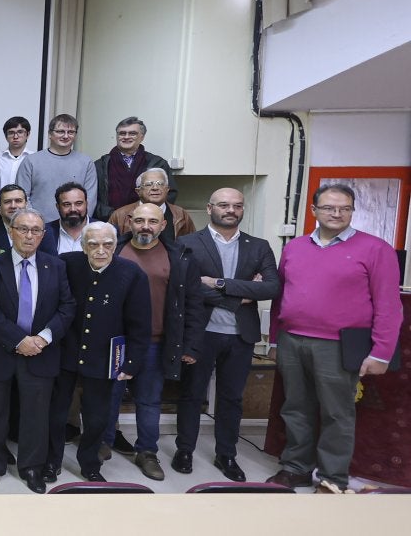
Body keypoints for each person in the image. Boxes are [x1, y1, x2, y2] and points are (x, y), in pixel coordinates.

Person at [266, 184, 403, 493]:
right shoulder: (295, 247)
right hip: (292, 340)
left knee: (336, 412)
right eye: (329, 207)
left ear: (353, 211)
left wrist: (381, 352)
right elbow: (280, 297)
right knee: (295, 407)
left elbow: (388, 305)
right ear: (314, 211)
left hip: (338, 345)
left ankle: (332, 477)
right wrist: (274, 340)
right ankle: (295, 468)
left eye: (344, 208)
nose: (337, 213)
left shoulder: (375, 249)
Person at [173, 188, 279, 481]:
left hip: (240, 336)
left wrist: (218, 283)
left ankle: (226, 454)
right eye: (223, 205)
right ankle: (184, 449)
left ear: (243, 209)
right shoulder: (188, 243)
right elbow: (188, 287)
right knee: (192, 395)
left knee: (231, 398)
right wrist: (243, 292)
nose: (230, 210)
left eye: (237, 205)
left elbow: (270, 287)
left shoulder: (258, 246)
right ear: (209, 208)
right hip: (201, 333)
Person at [0, 208, 75, 493]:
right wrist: (20, 340)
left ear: (43, 235)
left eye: (36, 230)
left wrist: (41, 339)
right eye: (23, 229)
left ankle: (31, 467)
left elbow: (67, 308)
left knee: (36, 414)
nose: (29, 235)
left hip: (41, 352)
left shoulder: (56, 267)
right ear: (11, 231)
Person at [102, 202, 203, 480]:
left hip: (156, 343)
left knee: (149, 401)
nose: (145, 226)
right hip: (117, 343)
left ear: (163, 225)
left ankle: (146, 452)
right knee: (107, 397)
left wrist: (190, 344)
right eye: (139, 221)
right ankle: (101, 444)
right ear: (129, 222)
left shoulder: (180, 256)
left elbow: (193, 303)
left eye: (152, 221)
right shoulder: (113, 250)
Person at [47, 222, 150, 483]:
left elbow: (139, 323)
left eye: (108, 244)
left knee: (97, 418)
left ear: (115, 246)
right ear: (83, 246)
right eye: (93, 244)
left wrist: (131, 363)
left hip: (105, 358)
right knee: (56, 414)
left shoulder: (131, 273)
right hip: (65, 352)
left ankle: (90, 463)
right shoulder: (66, 264)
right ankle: (51, 461)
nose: (101, 250)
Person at [15, 114, 96, 223]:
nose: (66, 136)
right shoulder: (31, 161)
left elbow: (90, 198)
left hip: (75, 225)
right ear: (50, 134)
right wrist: (33, 222)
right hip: (37, 227)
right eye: (60, 131)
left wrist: (81, 223)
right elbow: (21, 196)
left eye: (71, 132)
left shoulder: (86, 162)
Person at [93, 117, 174, 221]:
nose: (126, 137)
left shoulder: (157, 164)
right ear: (117, 136)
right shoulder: (101, 165)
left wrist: (146, 214)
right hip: (109, 222)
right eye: (122, 133)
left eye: (132, 133)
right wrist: (115, 216)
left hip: (146, 223)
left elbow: (169, 194)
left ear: (142, 137)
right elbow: (92, 197)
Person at [108, 168, 195, 244]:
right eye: (149, 184)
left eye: (160, 183)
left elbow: (191, 246)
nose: (155, 188)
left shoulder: (181, 215)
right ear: (138, 191)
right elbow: (109, 246)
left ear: (167, 189)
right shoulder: (119, 215)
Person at [42, 182, 91, 255]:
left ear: (86, 204)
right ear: (58, 207)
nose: (73, 209)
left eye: (78, 203)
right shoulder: (43, 232)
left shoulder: (104, 229)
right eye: (67, 204)